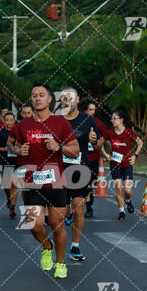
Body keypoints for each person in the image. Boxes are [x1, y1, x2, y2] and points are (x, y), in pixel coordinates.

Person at [13, 82, 79, 279]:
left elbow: (75, 151)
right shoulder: (22, 125)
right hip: (32, 181)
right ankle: (46, 247)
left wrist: (58, 148)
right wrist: (18, 150)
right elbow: (13, 145)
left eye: (42, 95)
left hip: (56, 181)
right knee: (33, 224)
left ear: (50, 99)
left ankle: (60, 263)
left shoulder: (61, 123)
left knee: (57, 224)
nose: (37, 98)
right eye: (34, 95)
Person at [59, 88, 103, 262]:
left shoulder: (87, 119)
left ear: (77, 100)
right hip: (60, 169)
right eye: (64, 98)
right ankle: (59, 243)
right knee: (61, 212)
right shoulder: (56, 120)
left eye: (70, 98)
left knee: (79, 207)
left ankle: (75, 246)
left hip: (80, 169)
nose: (67, 101)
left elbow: (99, 144)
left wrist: (94, 141)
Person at [102, 109, 143, 220]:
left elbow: (140, 143)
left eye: (114, 118)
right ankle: (121, 212)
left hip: (127, 165)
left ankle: (128, 201)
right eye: (112, 118)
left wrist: (135, 156)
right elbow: (100, 143)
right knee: (119, 188)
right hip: (114, 164)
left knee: (128, 191)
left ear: (121, 120)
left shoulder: (128, 132)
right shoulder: (110, 133)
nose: (112, 120)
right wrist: (105, 154)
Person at [80, 98, 107, 218]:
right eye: (90, 109)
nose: (93, 112)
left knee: (91, 184)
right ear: (85, 109)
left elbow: (104, 139)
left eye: (94, 110)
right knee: (81, 183)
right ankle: (85, 207)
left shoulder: (98, 123)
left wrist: (104, 151)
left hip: (94, 158)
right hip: (80, 158)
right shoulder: (78, 121)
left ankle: (89, 205)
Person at [0, 112, 18, 218]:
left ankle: (12, 207)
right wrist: (5, 149)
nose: (9, 122)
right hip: (5, 161)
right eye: (7, 120)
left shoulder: (18, 131)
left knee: (14, 184)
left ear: (14, 120)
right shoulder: (1, 133)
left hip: (17, 161)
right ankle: (9, 198)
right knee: (6, 185)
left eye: (11, 120)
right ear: (3, 121)